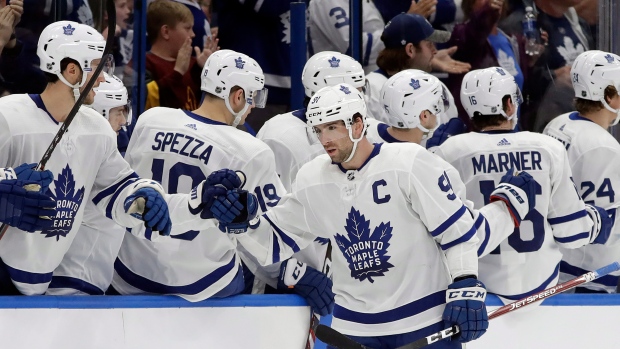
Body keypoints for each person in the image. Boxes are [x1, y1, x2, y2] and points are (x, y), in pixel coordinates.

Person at [209, 83, 540, 348]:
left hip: (422, 322)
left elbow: (458, 232)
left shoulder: (408, 162)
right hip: (354, 329)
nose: (325, 139)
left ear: (357, 124)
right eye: (318, 130)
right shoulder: (313, 178)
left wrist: (466, 282)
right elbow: (276, 240)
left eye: (333, 128)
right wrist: (245, 222)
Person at [111, 50, 333, 314]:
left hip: (130, 273)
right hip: (203, 285)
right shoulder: (251, 149)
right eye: (253, 98)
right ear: (237, 96)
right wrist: (294, 273)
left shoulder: (150, 119)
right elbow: (267, 237)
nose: (253, 107)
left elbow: (127, 189)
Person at [0, 20, 172, 296]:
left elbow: (116, 187)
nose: (103, 78)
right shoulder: (8, 115)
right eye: (96, 67)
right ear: (71, 70)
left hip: (44, 280)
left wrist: (143, 194)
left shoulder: (97, 128)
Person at [432, 66, 611, 302]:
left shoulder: (450, 152)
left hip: (481, 294)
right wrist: (597, 220)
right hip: (542, 290)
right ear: (509, 104)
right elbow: (572, 234)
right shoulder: (547, 147)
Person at [47, 73, 131, 295]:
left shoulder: (69, 146)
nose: (123, 121)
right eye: (119, 112)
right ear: (99, 114)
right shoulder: (96, 162)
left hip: (67, 278)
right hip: (77, 284)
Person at [543, 50, 620, 293]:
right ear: (609, 95)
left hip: (557, 262)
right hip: (591, 274)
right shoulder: (602, 146)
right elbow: (605, 222)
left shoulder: (559, 123)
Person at [365, 13, 466, 127]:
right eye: (429, 45)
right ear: (410, 50)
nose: (434, 51)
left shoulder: (438, 87)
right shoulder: (370, 90)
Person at [139, 0, 216, 111]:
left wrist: (205, 70)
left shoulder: (194, 63)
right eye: (187, 28)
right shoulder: (144, 64)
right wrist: (177, 73)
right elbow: (146, 100)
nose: (193, 34)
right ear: (165, 32)